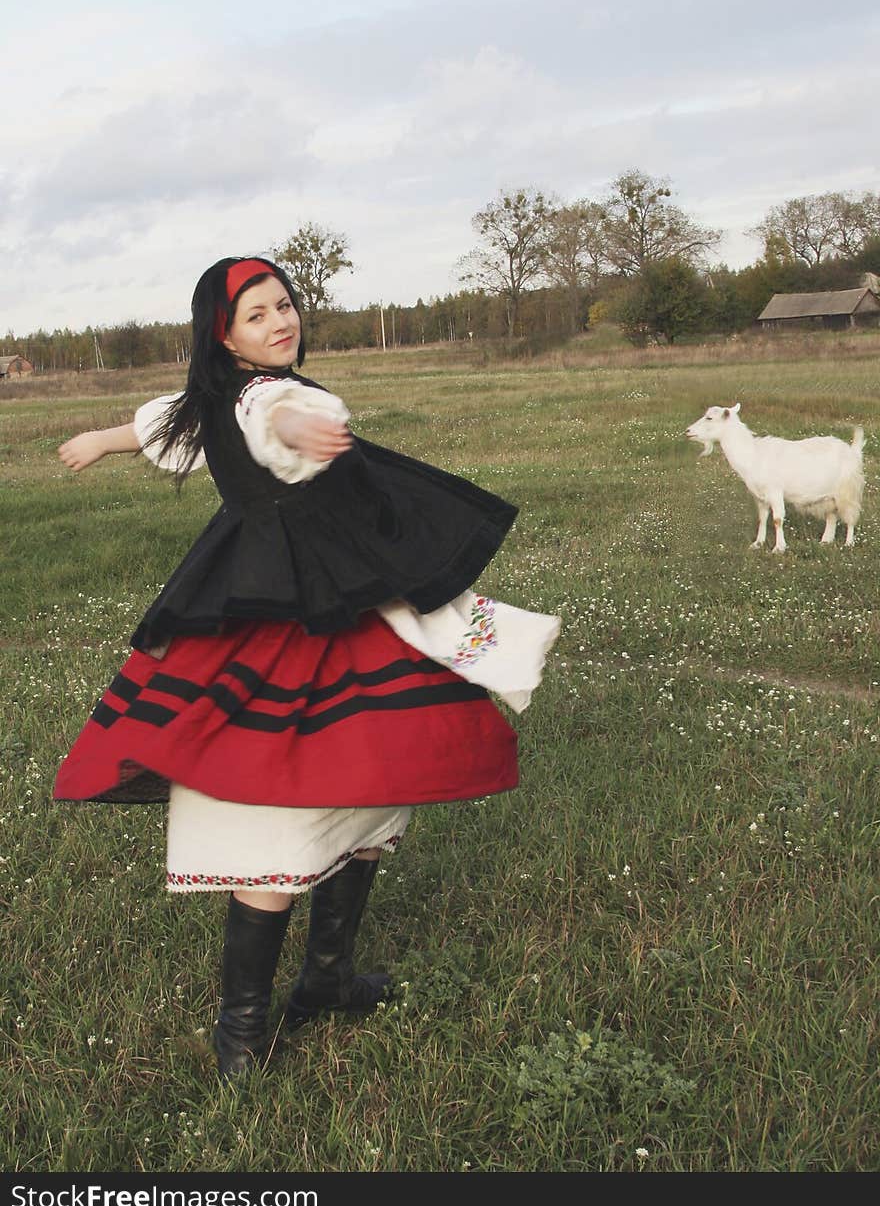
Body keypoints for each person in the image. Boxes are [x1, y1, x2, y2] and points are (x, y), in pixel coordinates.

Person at [54, 255, 559, 1080]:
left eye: (284, 304)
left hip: (339, 594)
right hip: (277, 614)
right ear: (224, 334)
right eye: (256, 315)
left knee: (366, 776)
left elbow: (166, 425)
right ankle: (243, 1031)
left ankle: (326, 977)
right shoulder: (264, 398)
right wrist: (294, 429)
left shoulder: (222, 395)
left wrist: (102, 441)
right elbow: (267, 417)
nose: (279, 321)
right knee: (282, 791)